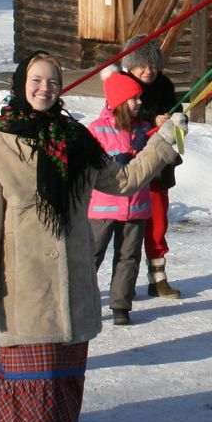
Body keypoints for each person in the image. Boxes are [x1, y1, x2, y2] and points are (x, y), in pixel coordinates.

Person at [0, 52, 183, 422]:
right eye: (36, 79)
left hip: (73, 272)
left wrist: (163, 143)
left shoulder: (77, 139)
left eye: (52, 81)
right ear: (20, 83)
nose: (44, 88)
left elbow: (122, 181)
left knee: (64, 366)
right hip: (24, 278)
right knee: (33, 366)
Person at [118, 39, 184, 300]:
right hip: (131, 169)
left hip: (158, 169)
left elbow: (179, 122)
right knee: (129, 229)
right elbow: (118, 120)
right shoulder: (122, 87)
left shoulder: (165, 87)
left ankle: (158, 279)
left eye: (153, 64)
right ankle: (123, 283)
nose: (149, 70)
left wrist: (176, 122)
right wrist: (149, 120)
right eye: (142, 64)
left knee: (157, 225)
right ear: (131, 65)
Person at [88, 71, 154, 326]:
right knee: (92, 255)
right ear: (118, 101)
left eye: (139, 98)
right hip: (103, 207)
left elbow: (157, 159)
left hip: (136, 205)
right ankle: (83, 300)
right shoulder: (96, 129)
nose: (139, 103)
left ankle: (120, 305)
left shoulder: (145, 129)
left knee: (128, 257)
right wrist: (116, 159)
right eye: (133, 99)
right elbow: (91, 163)